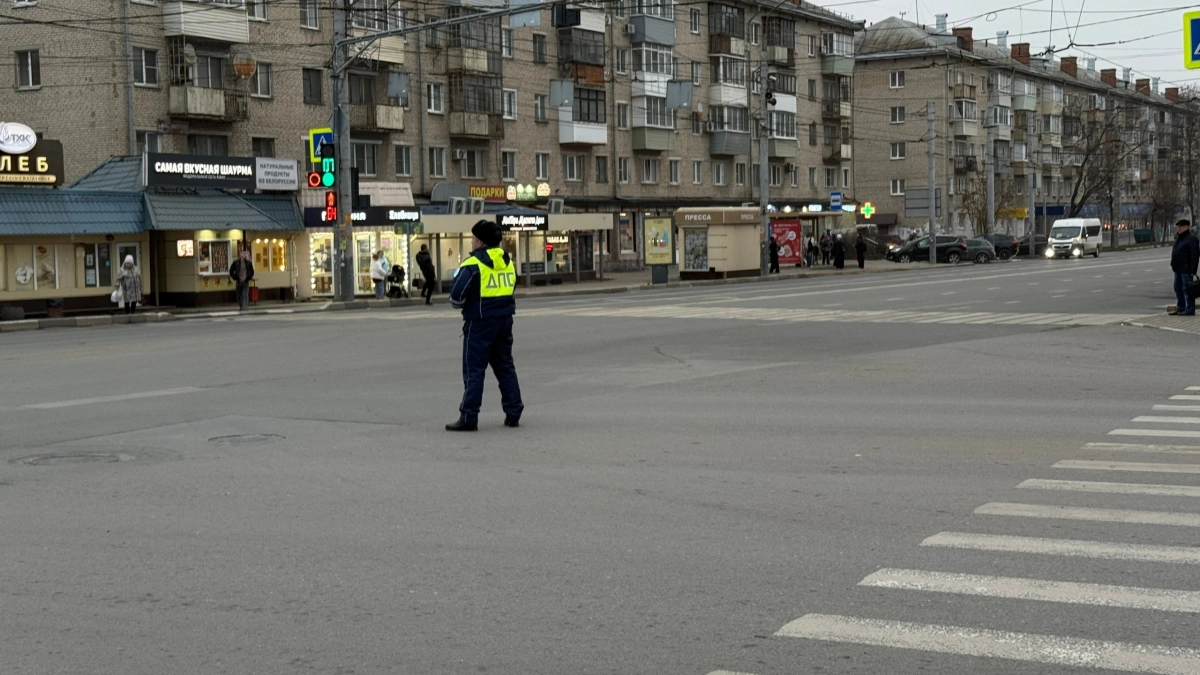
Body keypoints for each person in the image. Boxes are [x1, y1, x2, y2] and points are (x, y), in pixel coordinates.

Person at [445, 220, 524, 431]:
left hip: (479, 322)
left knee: (474, 371)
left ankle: (469, 417)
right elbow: (512, 285)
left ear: (479, 241)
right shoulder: (507, 261)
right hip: (505, 320)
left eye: (472, 238)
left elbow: (456, 297)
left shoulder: (472, 264)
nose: (471, 241)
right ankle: (513, 412)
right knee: (505, 366)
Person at [1170, 219, 1199, 316]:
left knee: (1188, 289)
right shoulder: (1179, 238)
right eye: (1177, 226)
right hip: (1178, 268)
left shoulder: (1191, 239)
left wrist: (1193, 270)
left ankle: (1190, 309)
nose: (1178, 228)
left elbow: (1195, 255)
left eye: (1180, 226)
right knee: (1177, 288)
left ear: (1186, 227)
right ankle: (1181, 307)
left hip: (1186, 269)